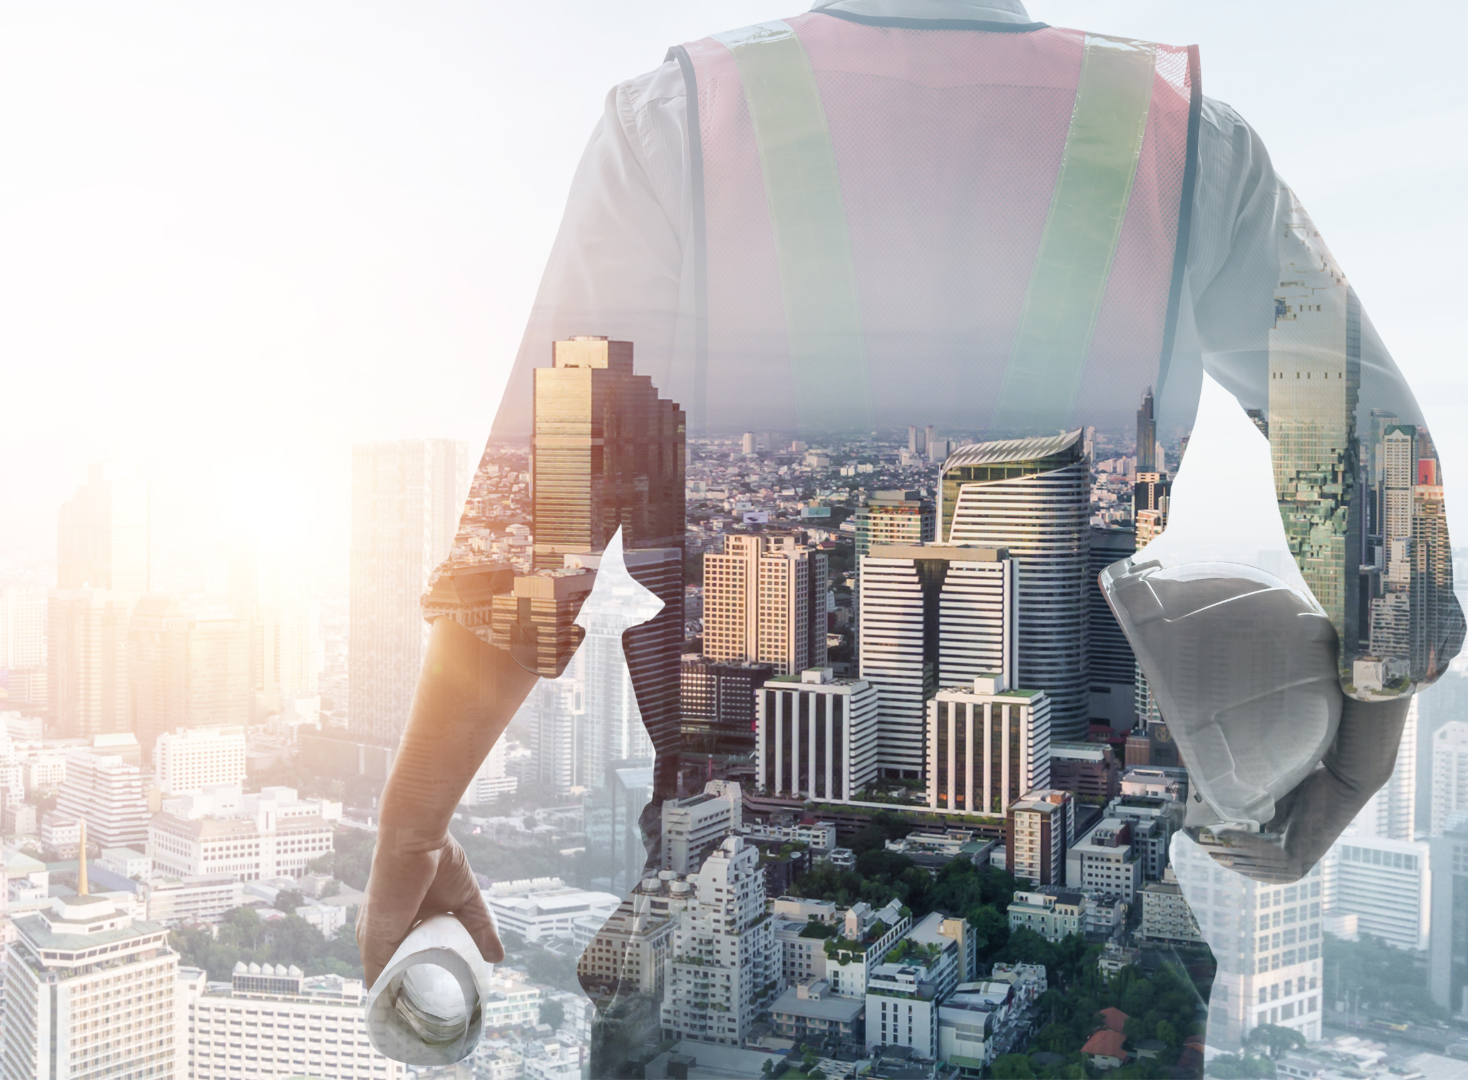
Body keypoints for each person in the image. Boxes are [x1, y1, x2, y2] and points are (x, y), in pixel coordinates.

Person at [358, 0, 1462, 1059]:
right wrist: (1352, 766)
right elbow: (1376, 464)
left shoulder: (676, 126)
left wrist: (413, 829)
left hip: (711, 998)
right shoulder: (1183, 139)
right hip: (1094, 986)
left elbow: (531, 529)